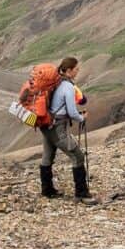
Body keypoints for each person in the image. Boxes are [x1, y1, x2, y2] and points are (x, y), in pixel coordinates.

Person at [39, 57, 93, 201]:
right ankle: (81, 194)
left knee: (47, 156)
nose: (78, 71)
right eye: (76, 69)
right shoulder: (68, 87)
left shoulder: (56, 83)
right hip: (57, 127)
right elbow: (72, 112)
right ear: (68, 71)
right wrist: (82, 118)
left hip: (47, 125)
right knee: (78, 156)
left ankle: (47, 190)